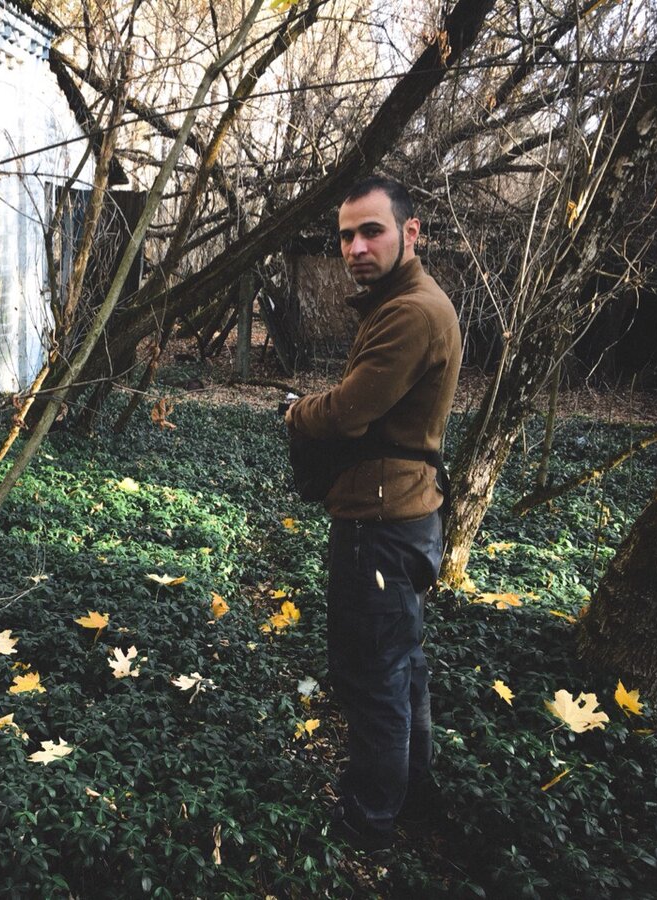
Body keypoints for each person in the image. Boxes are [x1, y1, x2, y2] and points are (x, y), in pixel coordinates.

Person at [284, 176, 461, 851]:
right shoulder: (401, 303)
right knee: (400, 665)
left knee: (373, 679)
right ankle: (410, 796)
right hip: (399, 516)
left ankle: (369, 823)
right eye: (346, 236)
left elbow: (350, 411)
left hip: (381, 528)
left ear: (410, 233)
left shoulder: (412, 311)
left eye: (371, 231)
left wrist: (296, 410)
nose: (355, 247)